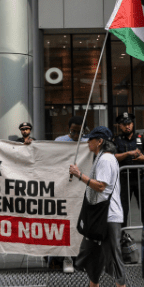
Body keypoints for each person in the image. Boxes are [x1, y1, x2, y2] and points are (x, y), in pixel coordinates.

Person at [69, 126, 130, 287]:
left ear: (100, 141)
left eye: (91, 139)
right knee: (91, 251)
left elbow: (101, 186)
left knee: (112, 254)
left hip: (108, 215)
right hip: (99, 215)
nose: (88, 141)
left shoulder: (106, 159)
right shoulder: (101, 157)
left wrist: (79, 175)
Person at [113, 112, 144, 230]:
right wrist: (127, 153)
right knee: (123, 209)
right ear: (120, 126)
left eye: (129, 123)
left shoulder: (140, 139)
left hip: (140, 178)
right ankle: (123, 236)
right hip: (124, 179)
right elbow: (113, 156)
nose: (127, 126)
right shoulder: (116, 140)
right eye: (124, 124)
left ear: (132, 124)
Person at [53, 116, 85, 273]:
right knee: (66, 223)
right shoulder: (60, 141)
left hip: (81, 189)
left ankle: (80, 257)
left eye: (79, 132)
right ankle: (67, 258)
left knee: (81, 224)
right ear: (68, 128)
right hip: (64, 188)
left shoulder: (87, 143)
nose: (75, 135)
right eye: (73, 131)